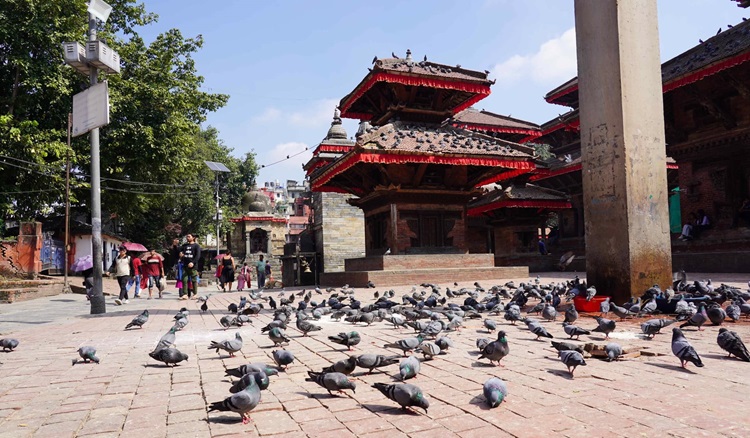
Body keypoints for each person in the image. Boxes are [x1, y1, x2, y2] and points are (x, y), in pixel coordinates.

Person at [179, 234, 201, 300]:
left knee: (194, 279)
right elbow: (178, 250)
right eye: (187, 237)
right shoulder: (185, 245)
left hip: (193, 266)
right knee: (184, 279)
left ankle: (195, 294)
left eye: (189, 237)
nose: (187, 238)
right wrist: (175, 246)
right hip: (185, 265)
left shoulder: (196, 246)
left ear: (193, 238)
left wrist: (193, 262)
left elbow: (198, 256)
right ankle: (185, 294)